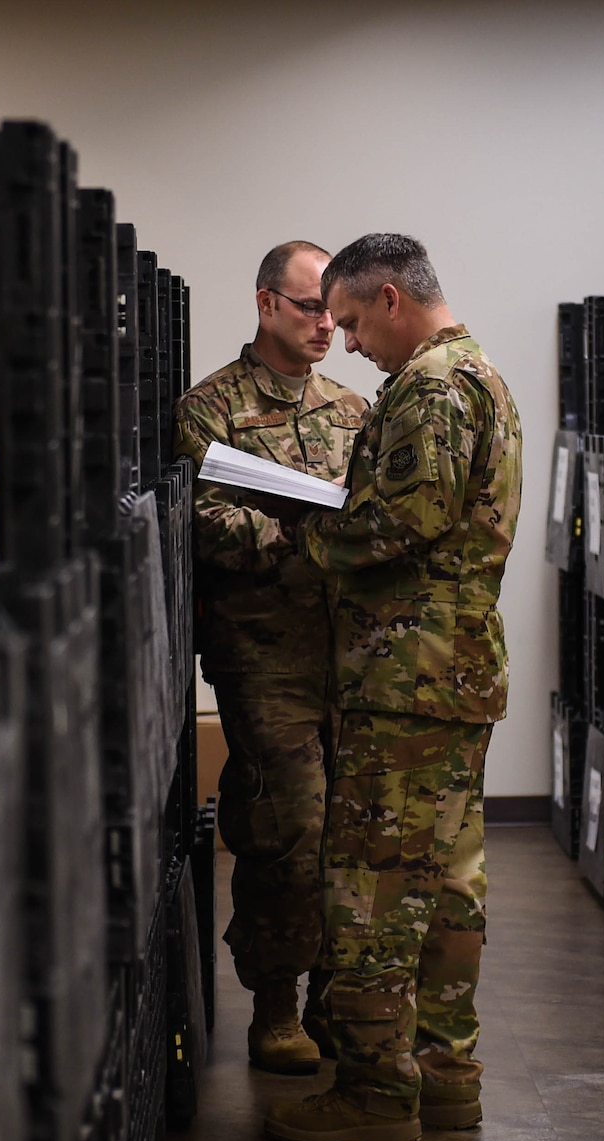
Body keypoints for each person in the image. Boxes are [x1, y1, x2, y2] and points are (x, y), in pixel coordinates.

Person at [263, 233, 521, 1141]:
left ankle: (376, 1090)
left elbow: (405, 520)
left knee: (372, 885)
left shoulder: (433, 387)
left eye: (354, 320)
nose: (351, 341)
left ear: (390, 298)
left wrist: (310, 535)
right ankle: (448, 1076)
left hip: (404, 670)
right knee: (449, 880)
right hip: (455, 667)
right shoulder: (479, 374)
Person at [174, 241, 370, 1075]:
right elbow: (203, 519)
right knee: (287, 824)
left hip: (349, 653)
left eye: (333, 310)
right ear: (265, 305)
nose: (327, 324)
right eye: (308, 308)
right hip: (264, 651)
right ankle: (275, 1005)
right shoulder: (209, 407)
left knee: (351, 829)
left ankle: (336, 995)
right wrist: (303, 531)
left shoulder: (352, 409)